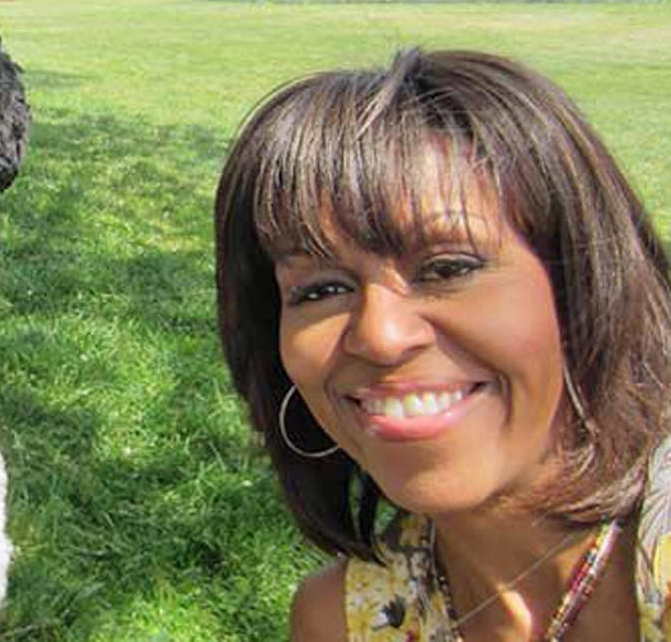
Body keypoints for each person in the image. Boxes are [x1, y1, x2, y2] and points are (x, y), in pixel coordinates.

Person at [214, 47, 671, 640]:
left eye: (447, 268)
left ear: (583, 286)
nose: (379, 335)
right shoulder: (343, 621)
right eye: (322, 288)